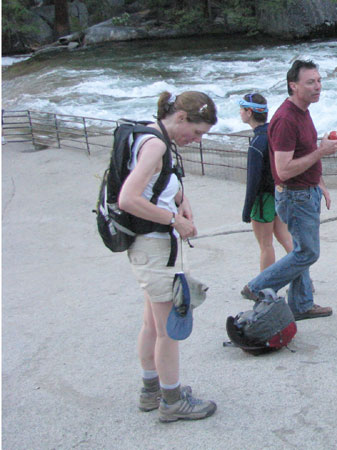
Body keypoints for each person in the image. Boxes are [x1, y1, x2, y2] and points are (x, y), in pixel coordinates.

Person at [118, 90, 218, 422]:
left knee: (151, 323)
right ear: (181, 118)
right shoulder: (158, 144)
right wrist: (175, 220)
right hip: (154, 245)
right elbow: (128, 198)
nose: (198, 139)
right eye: (198, 131)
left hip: (147, 245)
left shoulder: (150, 131)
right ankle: (172, 400)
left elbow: (158, 182)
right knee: (168, 330)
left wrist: (180, 199)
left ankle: (152, 390)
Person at [240, 60, 337, 321]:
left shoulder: (303, 111)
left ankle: (302, 304)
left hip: (306, 190)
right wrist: (321, 152)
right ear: (293, 86)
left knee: (300, 249)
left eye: (319, 81)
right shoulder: (285, 119)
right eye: (311, 82)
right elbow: (283, 170)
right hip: (296, 195)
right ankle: (258, 287)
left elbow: (304, 155)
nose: (317, 87)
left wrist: (320, 183)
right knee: (307, 252)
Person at [239, 93, 294, 271]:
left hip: (263, 199)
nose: (239, 113)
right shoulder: (274, 133)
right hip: (280, 192)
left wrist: (247, 210)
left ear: (249, 112)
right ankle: (304, 279)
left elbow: (253, 181)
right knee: (286, 238)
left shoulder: (256, 143)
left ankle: (264, 286)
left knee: (266, 245)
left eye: (241, 109)